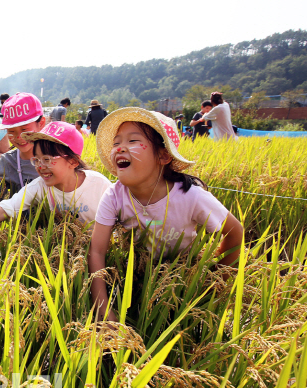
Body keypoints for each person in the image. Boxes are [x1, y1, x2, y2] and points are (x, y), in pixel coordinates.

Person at [87, 107, 244, 321]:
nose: (120, 148)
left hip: (179, 282)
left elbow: (235, 232)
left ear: (163, 156)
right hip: (136, 279)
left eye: (133, 141)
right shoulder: (114, 195)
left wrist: (215, 282)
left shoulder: (191, 196)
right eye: (116, 143)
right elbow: (97, 251)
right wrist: (104, 312)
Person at [0, 121, 112, 249]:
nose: (40, 167)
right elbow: (4, 209)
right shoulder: (41, 186)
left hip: (100, 249)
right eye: (36, 160)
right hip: (67, 249)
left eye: (48, 159)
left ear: (73, 162)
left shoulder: (99, 185)